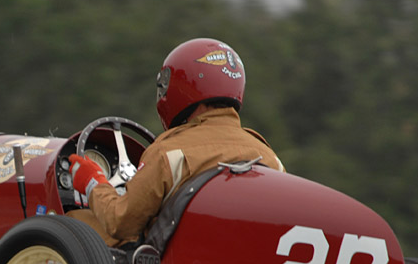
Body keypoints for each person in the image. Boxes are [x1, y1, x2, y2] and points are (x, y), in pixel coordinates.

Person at [67, 38, 284, 247]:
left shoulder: (167, 153)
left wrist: (94, 183)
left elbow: (121, 223)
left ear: (184, 87)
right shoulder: (271, 158)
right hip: (237, 262)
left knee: (67, 222)